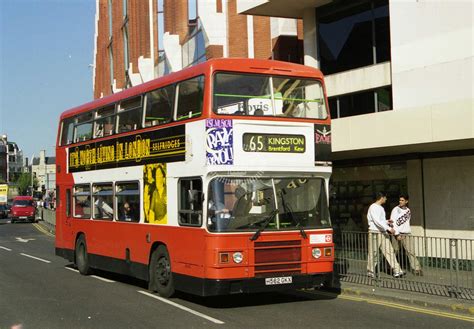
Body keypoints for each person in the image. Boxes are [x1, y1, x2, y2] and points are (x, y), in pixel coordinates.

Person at [366, 191, 404, 278]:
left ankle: (397, 270)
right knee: (373, 252)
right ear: (381, 197)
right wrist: (389, 228)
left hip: (382, 232)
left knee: (389, 251)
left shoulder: (380, 208)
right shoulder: (373, 207)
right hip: (374, 232)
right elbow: (377, 221)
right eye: (385, 197)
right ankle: (370, 271)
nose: (386, 199)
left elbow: (380, 221)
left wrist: (387, 222)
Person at [390, 194, 423, 275]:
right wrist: (397, 234)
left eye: (402, 200)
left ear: (406, 201)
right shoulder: (395, 209)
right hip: (397, 234)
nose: (400, 202)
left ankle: (416, 269)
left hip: (406, 233)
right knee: (394, 251)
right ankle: (390, 266)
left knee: (411, 251)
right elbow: (392, 222)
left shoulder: (408, 210)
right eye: (400, 200)